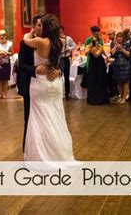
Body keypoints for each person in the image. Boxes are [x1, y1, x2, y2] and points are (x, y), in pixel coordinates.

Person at [23, 14, 79, 168]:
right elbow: (62, 61)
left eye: (40, 25)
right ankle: (59, 153)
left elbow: (25, 40)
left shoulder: (39, 41)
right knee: (56, 117)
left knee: (39, 119)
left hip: (41, 83)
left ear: (45, 27)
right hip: (54, 83)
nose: (37, 27)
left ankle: (43, 155)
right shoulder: (61, 41)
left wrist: (30, 31)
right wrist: (58, 70)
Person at [17, 14, 60, 152]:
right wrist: (35, 70)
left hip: (49, 85)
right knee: (30, 120)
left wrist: (59, 71)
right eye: (39, 25)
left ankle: (49, 150)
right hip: (31, 85)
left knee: (50, 118)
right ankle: (29, 152)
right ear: (34, 27)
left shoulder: (52, 41)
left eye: (43, 25)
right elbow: (21, 66)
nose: (42, 28)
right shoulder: (25, 43)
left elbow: (62, 61)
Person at [85, 26, 109, 105]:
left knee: (100, 80)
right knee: (92, 80)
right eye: (95, 33)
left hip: (99, 63)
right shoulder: (88, 40)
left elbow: (98, 54)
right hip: (92, 63)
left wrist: (106, 56)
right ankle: (92, 98)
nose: (96, 34)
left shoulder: (101, 43)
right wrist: (91, 46)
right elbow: (86, 52)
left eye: (98, 33)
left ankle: (101, 98)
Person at [0, 30, 13, 99]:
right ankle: (0, 94)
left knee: (5, 79)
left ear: (6, 36)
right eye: (0, 35)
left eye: (3, 35)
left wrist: (8, 53)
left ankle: (5, 94)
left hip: (6, 63)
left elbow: (12, 53)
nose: (1, 36)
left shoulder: (10, 43)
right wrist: (1, 53)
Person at [111, 32, 131, 105]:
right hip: (117, 65)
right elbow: (112, 54)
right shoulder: (113, 44)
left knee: (125, 82)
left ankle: (124, 98)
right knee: (119, 82)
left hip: (125, 65)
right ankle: (121, 96)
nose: (119, 38)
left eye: (121, 37)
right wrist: (116, 47)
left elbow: (129, 54)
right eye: (118, 37)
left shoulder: (126, 44)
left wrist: (122, 49)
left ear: (123, 38)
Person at [59, 26, 77, 99]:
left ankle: (67, 93)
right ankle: (60, 93)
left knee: (66, 76)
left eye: (60, 30)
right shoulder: (56, 39)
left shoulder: (68, 38)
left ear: (63, 30)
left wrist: (68, 49)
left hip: (66, 58)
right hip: (59, 59)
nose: (59, 32)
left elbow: (74, 46)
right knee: (59, 76)